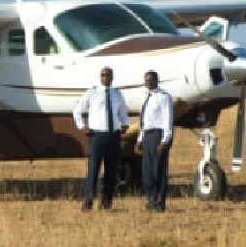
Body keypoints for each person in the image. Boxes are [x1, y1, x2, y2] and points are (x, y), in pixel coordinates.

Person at [73, 67, 129, 211]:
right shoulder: (92, 93)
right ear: (100, 77)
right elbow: (77, 110)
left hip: (113, 135)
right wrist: (82, 126)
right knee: (93, 170)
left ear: (112, 77)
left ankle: (106, 203)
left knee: (111, 171)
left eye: (108, 75)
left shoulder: (117, 94)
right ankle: (88, 202)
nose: (105, 77)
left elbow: (123, 111)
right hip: (97, 136)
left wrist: (125, 124)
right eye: (103, 75)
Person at [135, 70, 173, 212]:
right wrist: (139, 140)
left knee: (158, 170)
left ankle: (159, 202)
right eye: (146, 80)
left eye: (151, 80)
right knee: (147, 172)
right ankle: (150, 199)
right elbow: (144, 122)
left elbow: (167, 119)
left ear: (157, 80)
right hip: (147, 136)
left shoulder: (164, 97)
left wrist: (165, 140)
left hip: (158, 134)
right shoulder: (146, 97)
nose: (148, 82)